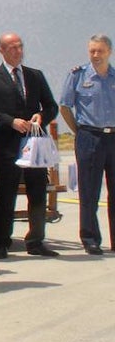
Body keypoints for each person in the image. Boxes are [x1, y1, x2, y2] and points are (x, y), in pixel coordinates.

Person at [0, 32, 60, 259]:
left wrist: (41, 117)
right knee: (6, 195)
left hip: (34, 146)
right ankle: (2, 241)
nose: (18, 51)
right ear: (1, 50)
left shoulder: (35, 76)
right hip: (8, 147)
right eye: (12, 47)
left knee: (37, 192)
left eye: (20, 46)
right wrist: (10, 122)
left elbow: (51, 106)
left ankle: (36, 240)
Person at [58, 34, 115, 256]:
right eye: (92, 51)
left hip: (113, 137)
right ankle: (90, 238)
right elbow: (65, 106)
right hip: (89, 136)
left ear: (109, 51)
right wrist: (79, 131)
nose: (95, 55)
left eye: (100, 51)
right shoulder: (78, 76)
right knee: (89, 191)